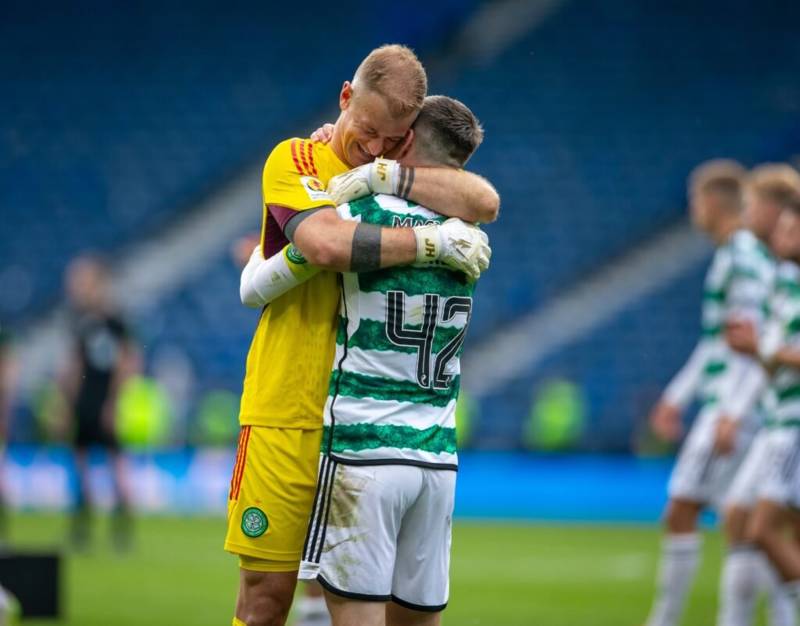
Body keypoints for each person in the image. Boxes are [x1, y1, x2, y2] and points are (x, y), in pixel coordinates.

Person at [226, 44, 497, 626]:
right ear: (346, 98)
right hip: (287, 410)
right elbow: (323, 243)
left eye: (391, 139)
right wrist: (431, 243)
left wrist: (387, 173)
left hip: (363, 426)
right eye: (368, 129)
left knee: (359, 605)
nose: (373, 145)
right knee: (265, 600)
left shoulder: (396, 177)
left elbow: (485, 199)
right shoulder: (297, 157)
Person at [644, 160, 779, 626]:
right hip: (740, 403)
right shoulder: (737, 255)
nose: (693, 212)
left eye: (695, 201)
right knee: (745, 524)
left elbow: (752, 338)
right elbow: (718, 341)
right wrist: (676, 398)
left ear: (710, 203)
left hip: (734, 405)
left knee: (682, 508)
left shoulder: (741, 258)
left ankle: (666, 619)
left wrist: (733, 411)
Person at [717, 165, 800, 626]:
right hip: (779, 417)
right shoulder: (783, 279)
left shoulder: (781, 278)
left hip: (793, 424)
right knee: (746, 519)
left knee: (764, 528)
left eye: (793, 226)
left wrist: (761, 347)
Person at [58, 255, 139, 549]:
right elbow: (74, 364)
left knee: (115, 464)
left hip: (105, 399)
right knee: (80, 464)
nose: (77, 288)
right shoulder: (79, 320)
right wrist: (66, 404)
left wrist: (114, 402)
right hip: (84, 400)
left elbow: (127, 362)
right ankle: (82, 526)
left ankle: (122, 528)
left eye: (82, 281)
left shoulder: (114, 320)